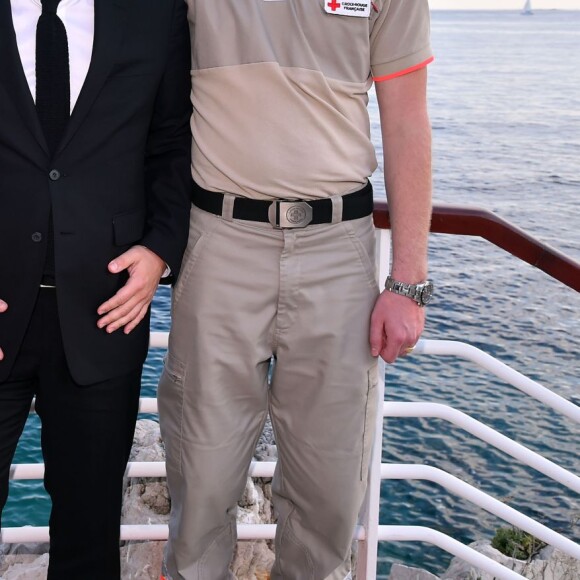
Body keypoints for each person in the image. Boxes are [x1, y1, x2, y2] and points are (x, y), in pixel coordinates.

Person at [158, 1, 434, 578]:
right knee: (201, 477)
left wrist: (408, 282)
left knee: (329, 494)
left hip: (340, 249)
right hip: (220, 241)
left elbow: (407, 119)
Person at [0, 0, 192, 578]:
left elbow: (174, 143)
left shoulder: (155, 14)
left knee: (89, 536)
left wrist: (160, 249)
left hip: (106, 313)